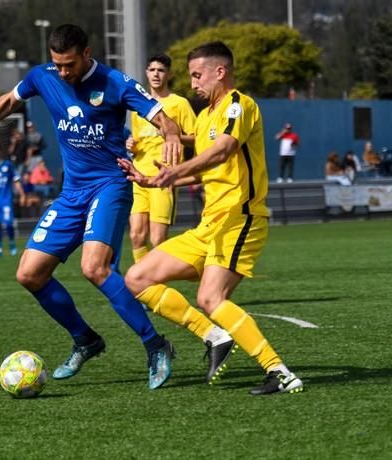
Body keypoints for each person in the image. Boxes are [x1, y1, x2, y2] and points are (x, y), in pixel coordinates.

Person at [0, 24, 183, 390]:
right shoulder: (44, 76)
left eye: (69, 65)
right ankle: (86, 339)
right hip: (72, 193)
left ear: (87, 53)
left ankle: (156, 345)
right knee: (29, 274)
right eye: (58, 64)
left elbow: (161, 116)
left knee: (94, 268)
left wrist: (171, 135)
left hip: (111, 185)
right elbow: (8, 102)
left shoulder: (115, 81)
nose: (63, 73)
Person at [119, 41, 304, 395]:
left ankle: (280, 372)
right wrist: (156, 178)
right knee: (137, 278)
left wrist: (177, 170)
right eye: (191, 76)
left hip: (240, 219)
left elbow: (224, 151)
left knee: (210, 298)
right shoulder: (203, 118)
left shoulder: (240, 105)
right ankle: (214, 335)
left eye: (197, 75)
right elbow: (206, 171)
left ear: (221, 72)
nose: (193, 83)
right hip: (209, 226)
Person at [126, 54, 196, 263]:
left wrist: (174, 136)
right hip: (140, 177)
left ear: (169, 74)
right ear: (146, 73)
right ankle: (144, 285)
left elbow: (196, 138)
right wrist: (131, 145)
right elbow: (138, 141)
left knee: (157, 239)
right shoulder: (139, 106)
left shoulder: (179, 104)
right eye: (152, 70)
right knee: (136, 235)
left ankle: (158, 281)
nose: (156, 74)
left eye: (161, 70)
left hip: (164, 178)